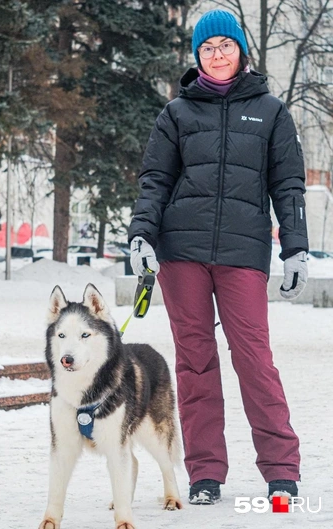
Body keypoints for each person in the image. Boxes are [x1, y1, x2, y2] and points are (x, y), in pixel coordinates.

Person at [128, 9, 309, 505]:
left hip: (242, 252)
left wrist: (295, 247)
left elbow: (288, 184)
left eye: (224, 45)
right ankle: (205, 473)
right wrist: (142, 236)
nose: (217, 54)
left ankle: (281, 470)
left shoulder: (271, 112)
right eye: (207, 48)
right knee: (195, 363)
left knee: (254, 358)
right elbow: (155, 182)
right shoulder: (177, 114)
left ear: (240, 51)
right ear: (198, 57)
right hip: (180, 252)